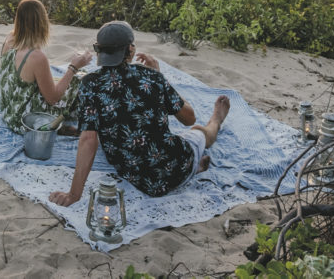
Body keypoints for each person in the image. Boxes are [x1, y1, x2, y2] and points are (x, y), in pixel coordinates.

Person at [49, 20, 230, 202]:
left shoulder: (90, 83)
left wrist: (74, 194)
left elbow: (89, 139)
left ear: (100, 51)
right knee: (197, 130)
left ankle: (197, 163)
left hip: (140, 179)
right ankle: (215, 122)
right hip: (177, 164)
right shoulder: (152, 77)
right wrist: (161, 78)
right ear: (130, 50)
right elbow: (189, 118)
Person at [0, 0, 93, 134]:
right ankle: (59, 125)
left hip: (9, 112)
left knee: (62, 80)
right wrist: (73, 67)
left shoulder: (9, 39)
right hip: (26, 122)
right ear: (42, 23)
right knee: (82, 78)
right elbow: (53, 99)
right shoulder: (36, 57)